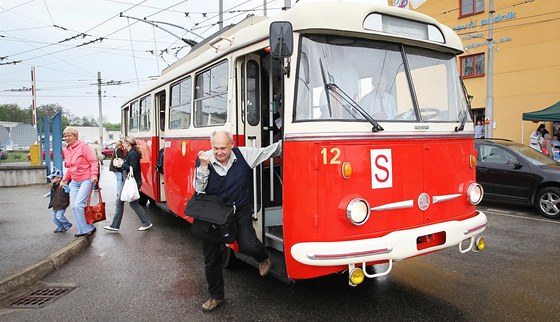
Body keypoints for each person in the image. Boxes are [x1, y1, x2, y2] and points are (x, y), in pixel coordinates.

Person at [194, 130, 282, 312]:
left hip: (238, 210)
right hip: (213, 213)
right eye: (215, 148)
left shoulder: (244, 154)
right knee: (211, 259)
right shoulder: (205, 159)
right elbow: (199, 189)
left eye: (223, 148)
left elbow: (269, 151)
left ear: (231, 145)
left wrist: (292, 138)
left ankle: (264, 258)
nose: (218, 152)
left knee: (248, 245)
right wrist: (203, 167)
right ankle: (216, 297)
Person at [104, 135, 153, 232]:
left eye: (124, 143)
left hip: (131, 181)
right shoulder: (132, 153)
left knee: (124, 203)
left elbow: (133, 169)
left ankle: (116, 225)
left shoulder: (132, 154)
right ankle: (116, 225)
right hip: (131, 181)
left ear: (128, 143)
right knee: (127, 203)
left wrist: (122, 164)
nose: (122, 144)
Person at [60, 127, 99, 237]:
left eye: (69, 136)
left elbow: (93, 162)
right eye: (65, 136)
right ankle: (82, 229)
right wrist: (64, 179)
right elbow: (70, 167)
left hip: (86, 179)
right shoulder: (67, 149)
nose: (67, 138)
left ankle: (88, 228)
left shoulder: (83, 147)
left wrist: (93, 175)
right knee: (73, 206)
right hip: (75, 181)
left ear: (75, 136)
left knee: (78, 205)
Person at [45, 168, 72, 233]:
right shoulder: (54, 186)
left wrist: (65, 186)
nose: (51, 179)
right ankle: (60, 228)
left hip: (62, 204)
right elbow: (52, 192)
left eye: (53, 178)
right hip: (56, 204)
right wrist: (47, 195)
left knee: (59, 216)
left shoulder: (63, 185)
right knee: (54, 218)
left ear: (59, 178)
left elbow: (68, 190)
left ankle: (67, 225)